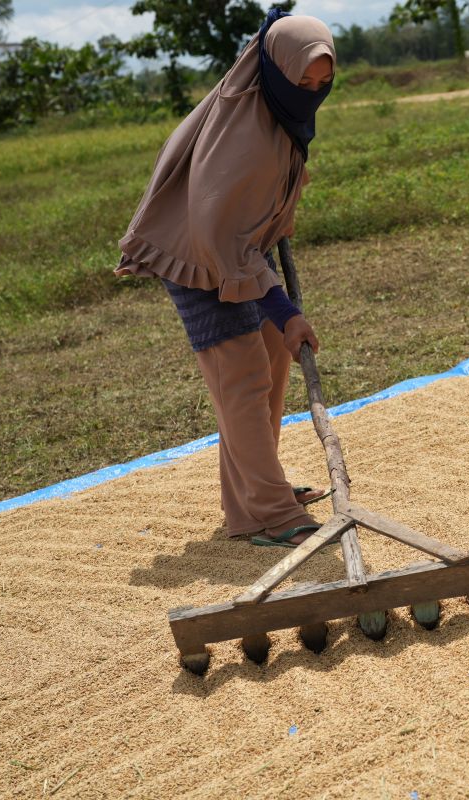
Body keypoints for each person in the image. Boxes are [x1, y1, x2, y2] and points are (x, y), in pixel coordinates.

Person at [115, 11, 336, 548]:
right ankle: (270, 511)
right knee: (241, 381)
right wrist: (286, 311)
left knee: (273, 363)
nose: (310, 92)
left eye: (321, 82)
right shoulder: (246, 138)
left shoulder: (276, 112)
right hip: (198, 261)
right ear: (272, 69)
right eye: (300, 80)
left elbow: (256, 214)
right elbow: (222, 236)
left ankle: (251, 501)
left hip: (242, 254)